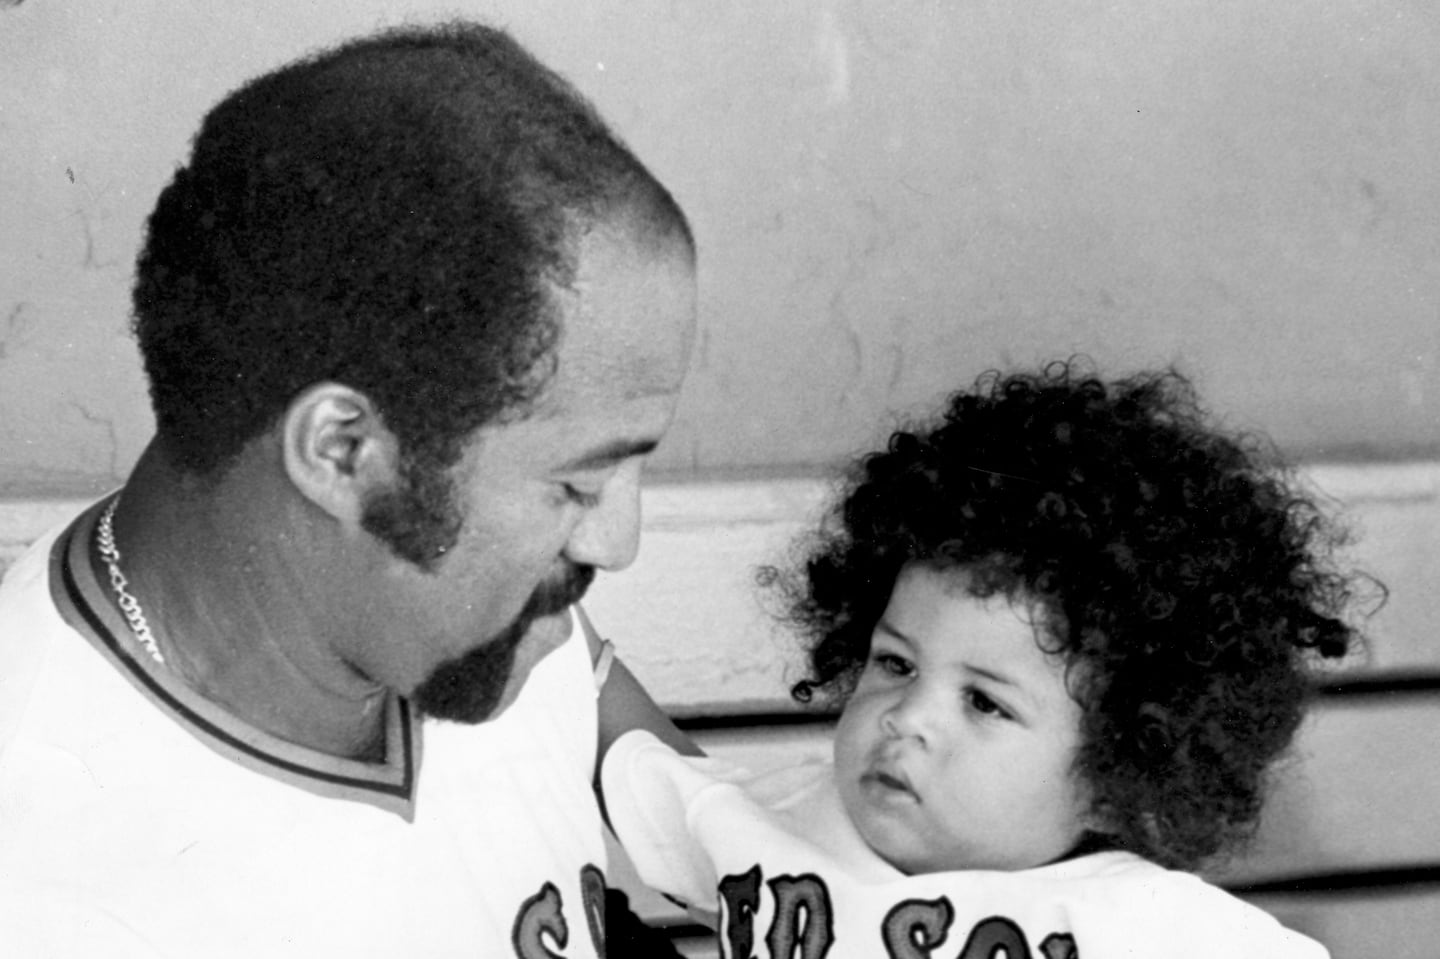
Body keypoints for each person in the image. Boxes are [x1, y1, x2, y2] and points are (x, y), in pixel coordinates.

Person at [0, 20, 696, 957]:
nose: (618, 541)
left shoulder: (488, 618)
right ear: (341, 452)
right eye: (578, 484)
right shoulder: (53, 884)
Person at [596, 362, 1367, 958]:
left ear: (1116, 772)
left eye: (986, 702)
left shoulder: (1152, 926)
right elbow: (630, 749)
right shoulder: (789, 826)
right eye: (896, 662)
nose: (908, 718)